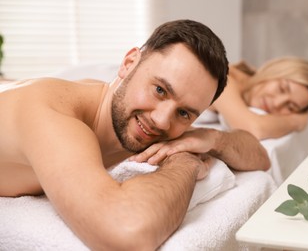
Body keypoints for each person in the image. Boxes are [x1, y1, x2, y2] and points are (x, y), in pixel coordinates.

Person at [0, 19, 270, 250]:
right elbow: (127, 233)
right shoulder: (54, 116)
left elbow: (259, 156)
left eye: (185, 113)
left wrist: (211, 139)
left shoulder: (152, 120)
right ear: (129, 63)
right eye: (160, 90)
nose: (161, 120)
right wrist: (185, 161)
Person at [209, 57, 308, 140]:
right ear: (272, 71)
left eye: (290, 106)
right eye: (282, 88)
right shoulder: (224, 78)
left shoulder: (250, 77)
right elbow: (253, 129)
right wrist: (297, 121)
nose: (277, 103)